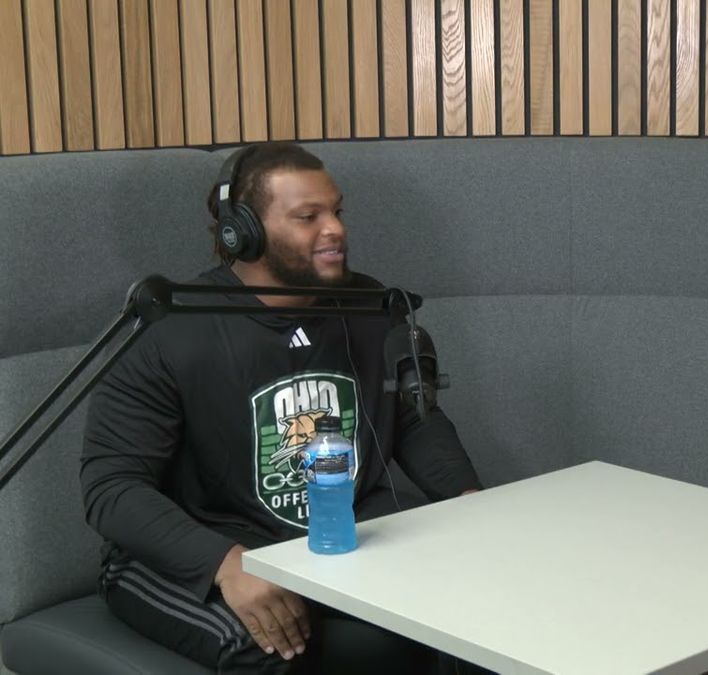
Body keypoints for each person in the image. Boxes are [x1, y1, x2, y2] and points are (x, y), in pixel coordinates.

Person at [81, 141, 483, 674]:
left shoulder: (368, 308)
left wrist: (472, 505)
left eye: (336, 211)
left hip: (329, 538)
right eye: (307, 217)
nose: (335, 229)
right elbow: (112, 486)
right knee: (269, 643)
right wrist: (224, 563)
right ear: (242, 233)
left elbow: (413, 423)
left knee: (480, 598)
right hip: (197, 549)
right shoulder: (172, 329)